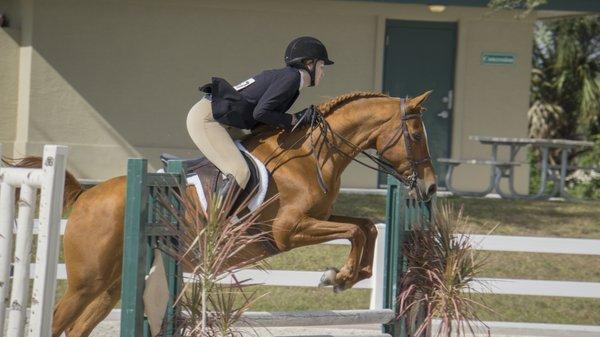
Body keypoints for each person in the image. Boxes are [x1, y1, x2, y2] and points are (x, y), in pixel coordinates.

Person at [186, 36, 334, 193]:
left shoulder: (290, 79)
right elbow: (261, 113)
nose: (323, 73)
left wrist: (295, 120)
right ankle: (215, 217)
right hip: (208, 119)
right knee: (240, 172)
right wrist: (294, 118)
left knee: (255, 154)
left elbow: (263, 118)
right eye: (322, 66)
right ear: (309, 64)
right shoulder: (292, 78)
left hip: (222, 119)